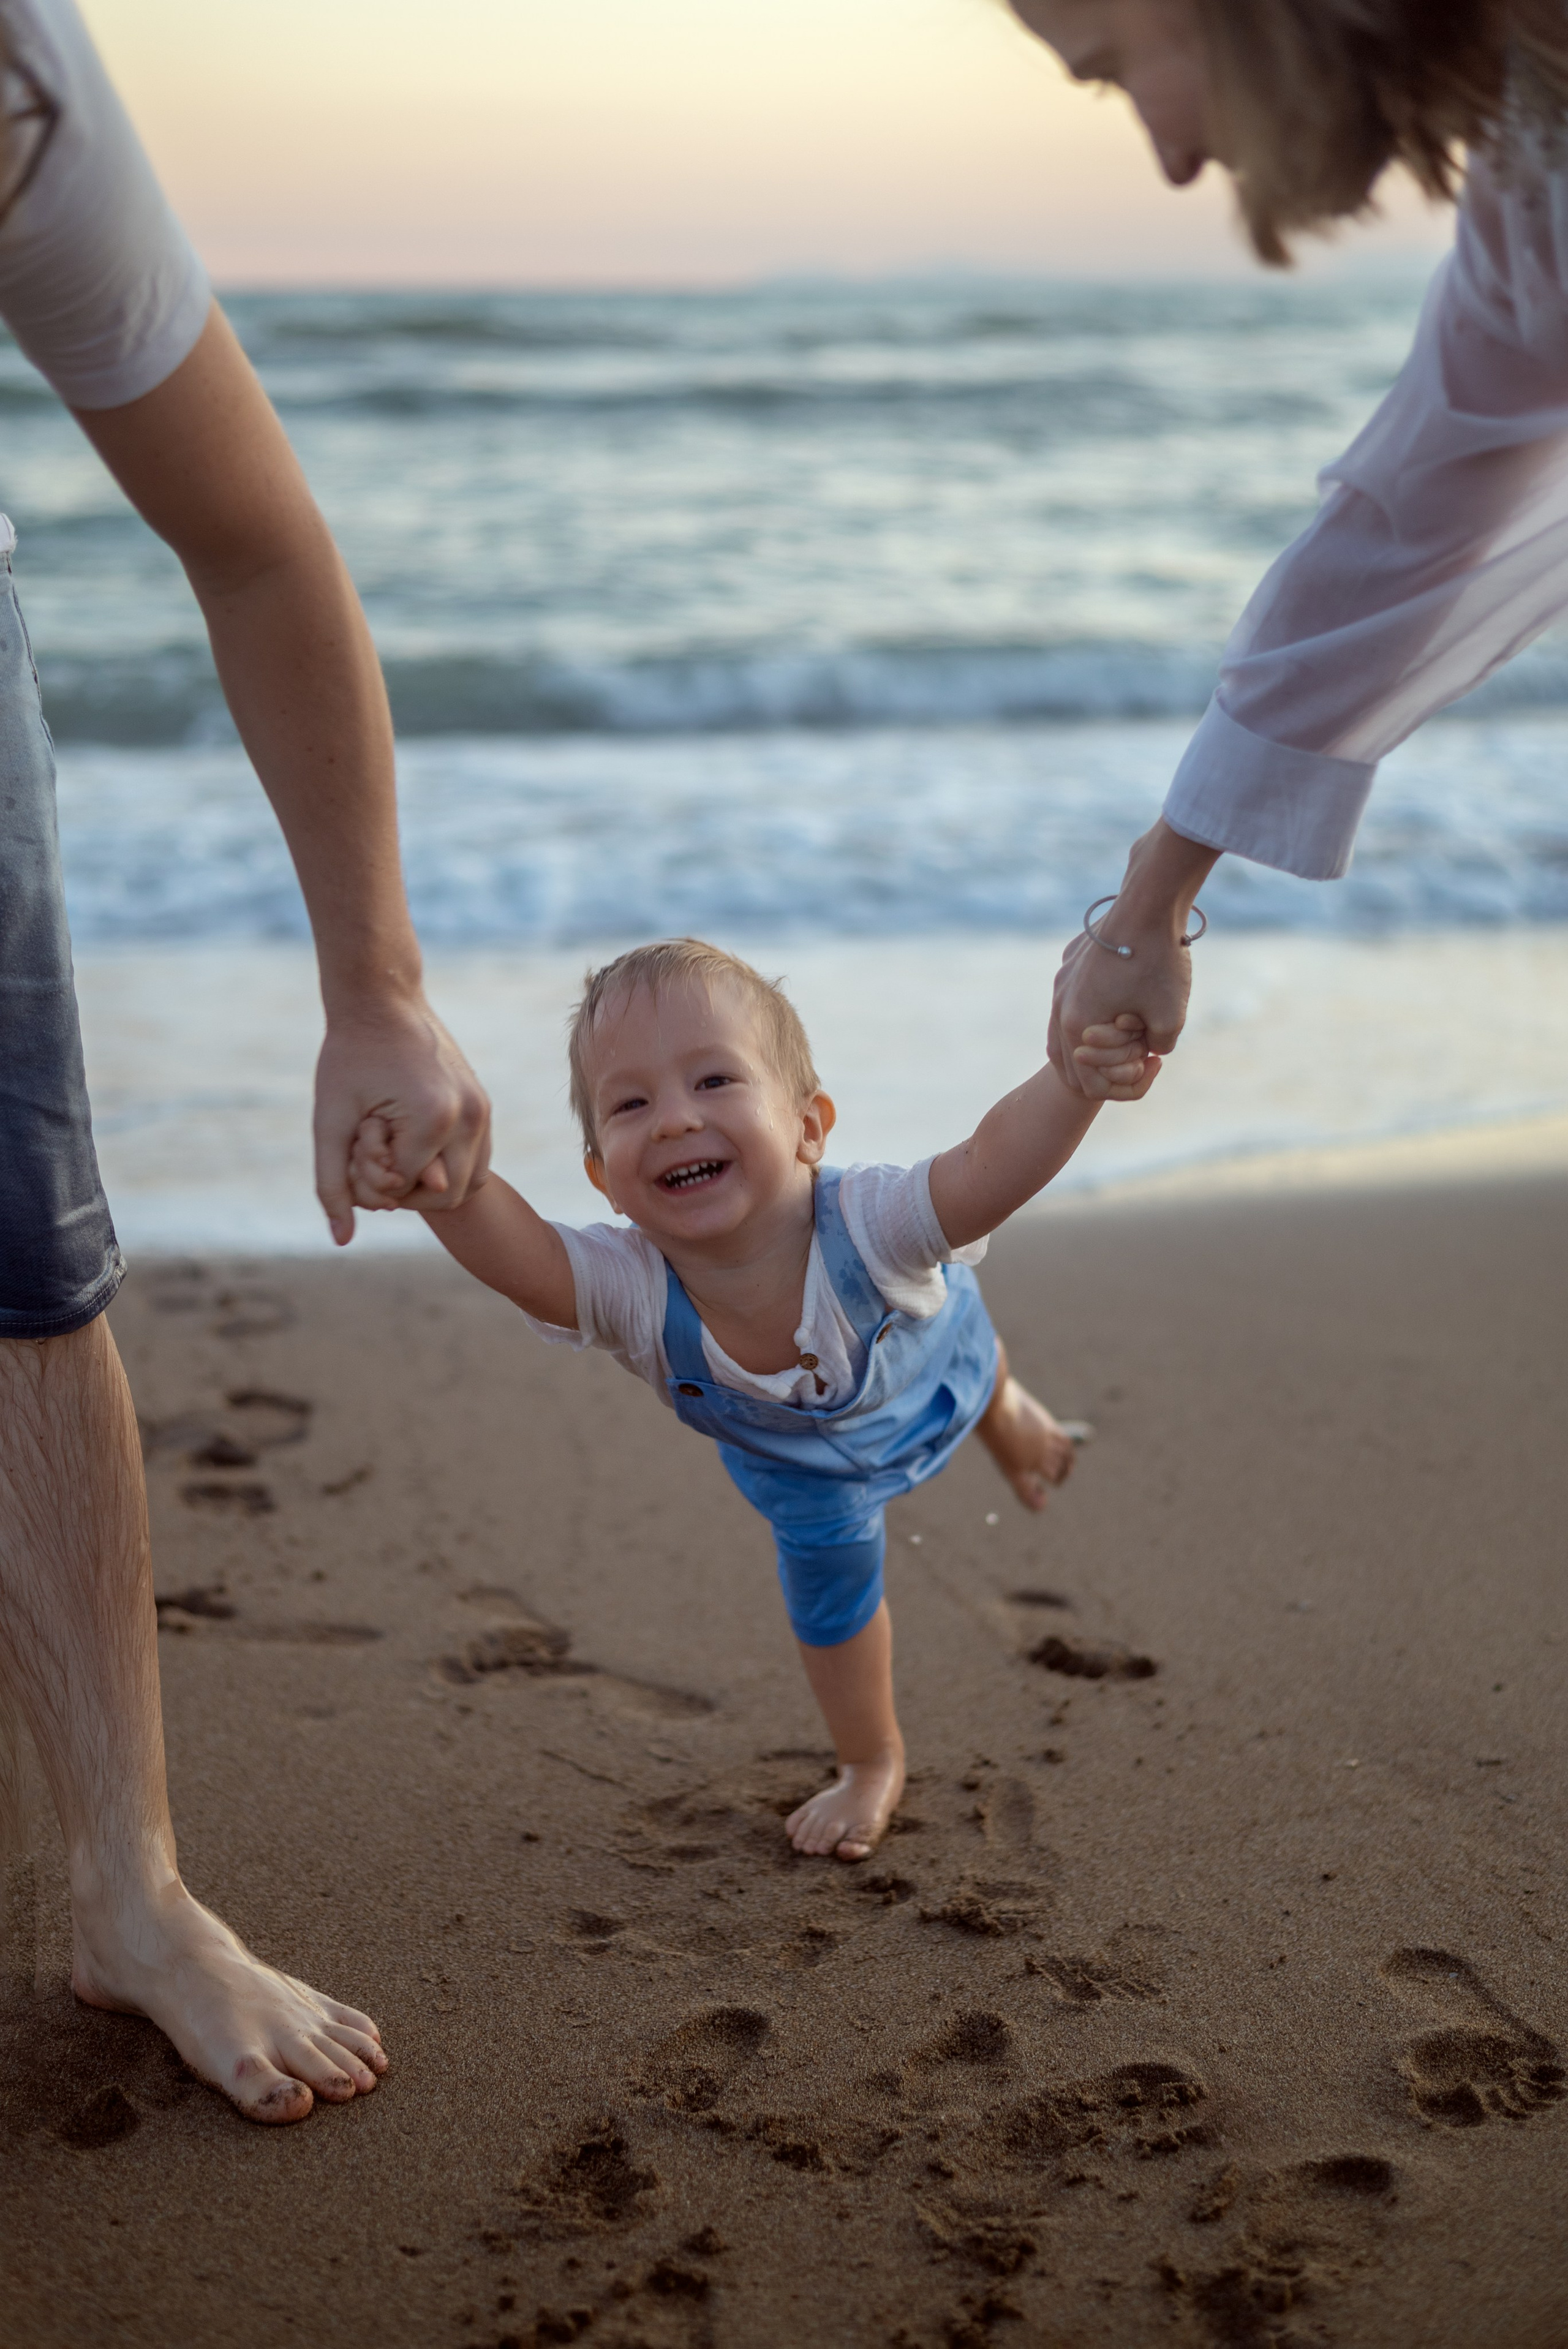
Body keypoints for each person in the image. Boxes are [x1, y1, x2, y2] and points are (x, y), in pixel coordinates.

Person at [0, 0, 489, 2122]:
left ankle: (128, 1880)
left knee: (19, 1257)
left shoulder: (20, 87)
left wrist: (373, 989)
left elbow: (262, 539)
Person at [349, 939, 1152, 1863]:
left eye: (716, 1080)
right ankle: (872, 1760)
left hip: (932, 1361)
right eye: (631, 1103)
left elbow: (992, 1164)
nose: (675, 1121)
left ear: (809, 1127)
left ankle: (1007, 1417)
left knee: (972, 1364)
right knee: (832, 1605)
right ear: (603, 1177)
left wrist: (1075, 1080)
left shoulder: (874, 1224)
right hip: (806, 1475)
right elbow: (525, 1263)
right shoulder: (630, 1290)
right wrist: (445, 1187)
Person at [998, 2, 1568, 1084]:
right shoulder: (1533, 168)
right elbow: (1410, 511)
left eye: (1114, 74)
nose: (1170, 162)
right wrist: (1151, 897)